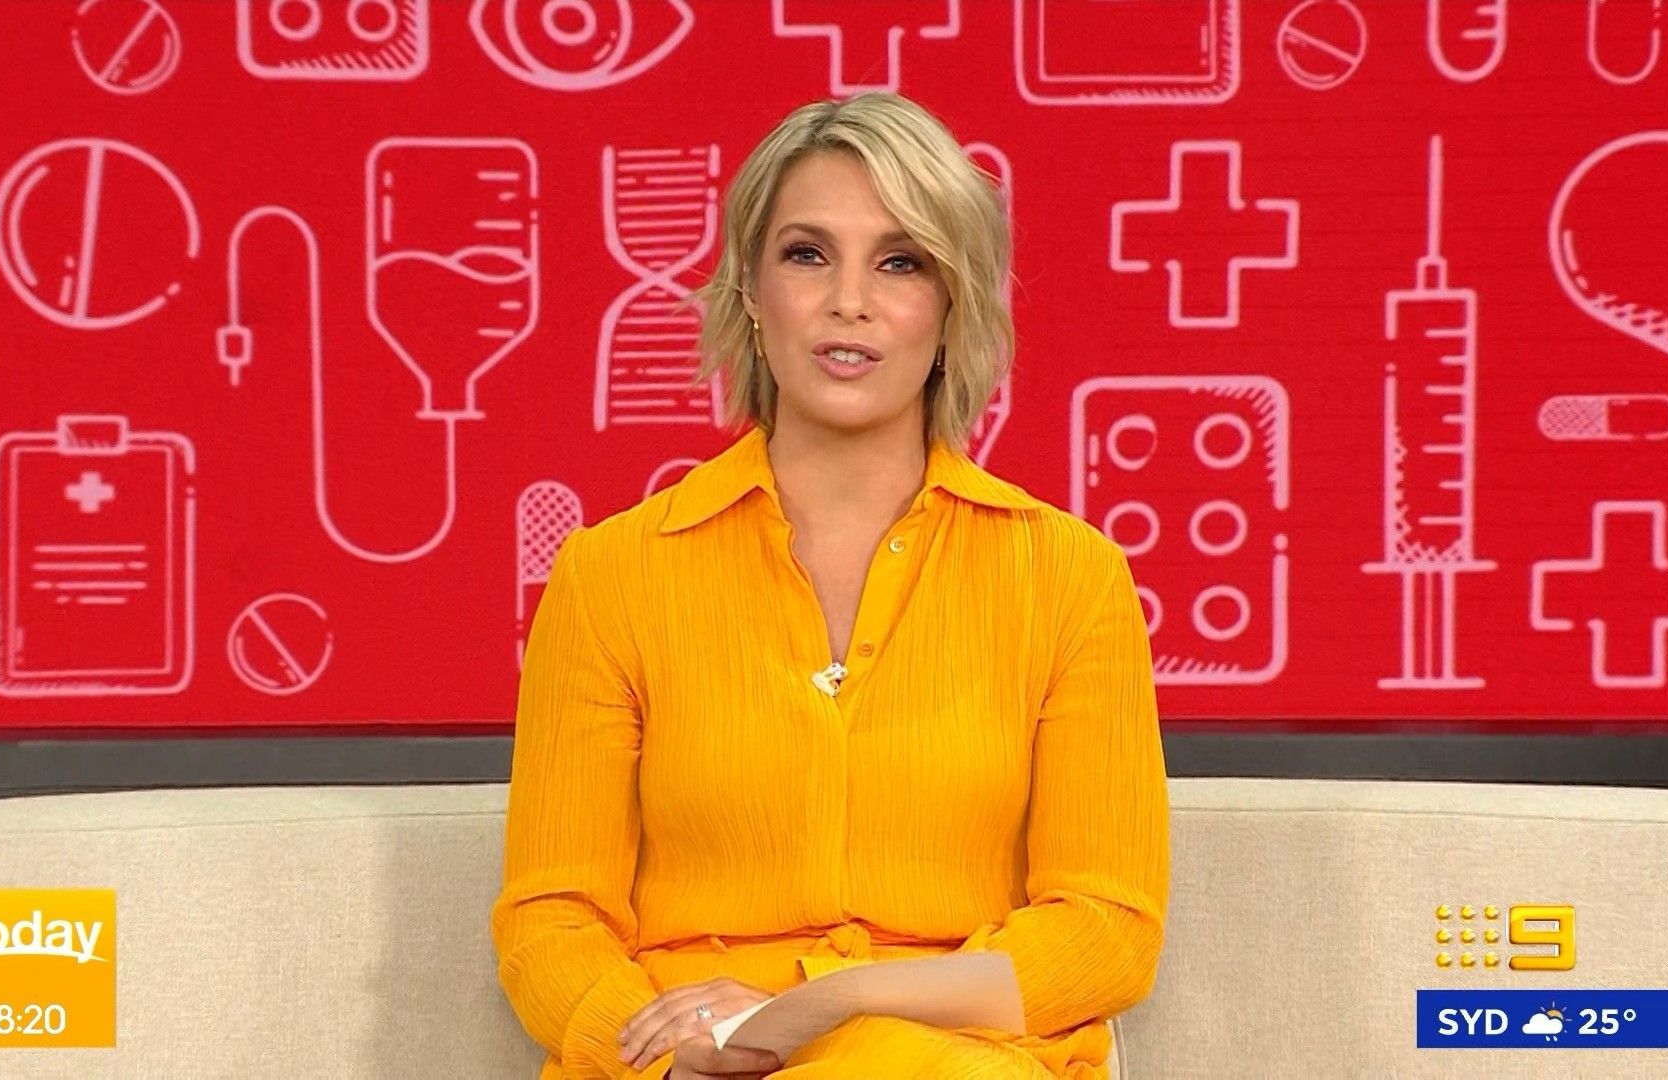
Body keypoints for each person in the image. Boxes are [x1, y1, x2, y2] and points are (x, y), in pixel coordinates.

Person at [491, 91, 1169, 1079]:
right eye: (808, 254)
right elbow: (551, 915)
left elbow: (1106, 930)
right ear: (749, 290)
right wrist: (671, 1053)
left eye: (901, 262)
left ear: (954, 305)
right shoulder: (613, 576)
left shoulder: (1070, 579)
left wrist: (829, 1003)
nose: (850, 300)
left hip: (954, 1058)